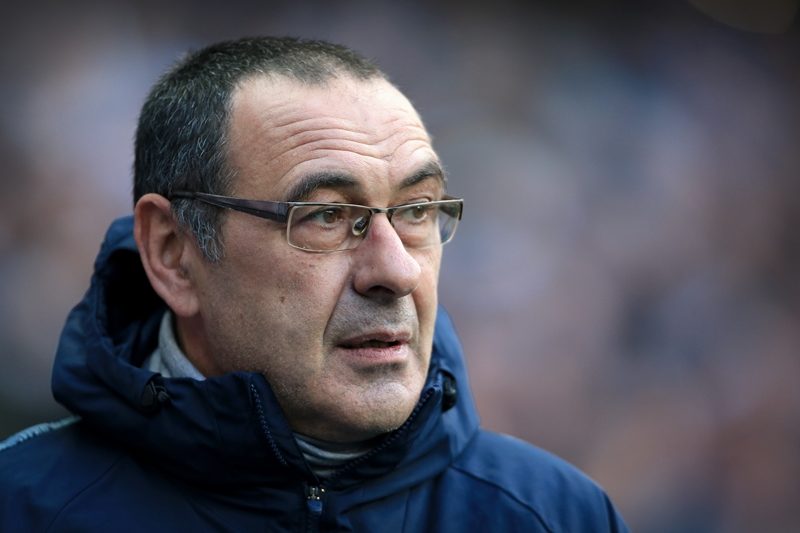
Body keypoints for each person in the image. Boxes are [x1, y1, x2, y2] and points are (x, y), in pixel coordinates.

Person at [0, 37, 627, 532]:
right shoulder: (24, 507)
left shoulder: (557, 515)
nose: (397, 271)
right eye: (326, 216)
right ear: (174, 254)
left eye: (416, 210)